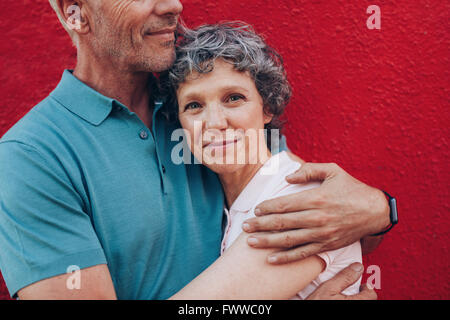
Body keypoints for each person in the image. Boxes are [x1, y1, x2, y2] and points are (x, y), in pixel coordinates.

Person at [0, 0, 389, 300]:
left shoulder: (194, 103)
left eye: (234, 99)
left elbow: (334, 227)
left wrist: (381, 208)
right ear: (76, 14)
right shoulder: (30, 156)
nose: (174, 5)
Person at [159, 22, 362, 299]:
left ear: (267, 107)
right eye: (194, 105)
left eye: (233, 98)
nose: (215, 123)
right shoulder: (228, 204)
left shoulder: (295, 199)